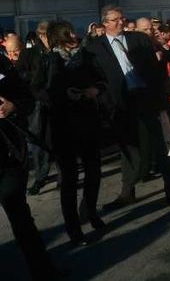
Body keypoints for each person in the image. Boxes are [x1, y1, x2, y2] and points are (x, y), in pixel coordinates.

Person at [85, 5, 170, 209]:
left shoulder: (139, 39)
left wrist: (159, 96)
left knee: (159, 145)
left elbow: (155, 71)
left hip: (146, 99)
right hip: (121, 104)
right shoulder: (95, 48)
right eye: (115, 19)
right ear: (105, 23)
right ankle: (127, 193)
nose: (120, 22)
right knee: (128, 149)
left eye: (122, 18)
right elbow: (95, 77)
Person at [38, 20, 106, 245]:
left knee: (94, 171)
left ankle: (91, 211)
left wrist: (94, 90)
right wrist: (58, 96)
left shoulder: (86, 56)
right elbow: (36, 88)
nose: (74, 36)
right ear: (59, 37)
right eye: (68, 33)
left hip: (88, 121)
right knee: (68, 179)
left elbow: (102, 81)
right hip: (62, 125)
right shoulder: (48, 59)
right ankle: (73, 228)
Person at [0, 54, 61, 279]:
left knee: (20, 216)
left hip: (8, 155)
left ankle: (44, 270)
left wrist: (12, 106)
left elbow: (26, 97)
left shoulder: (1, 62)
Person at [16, 22, 53, 196]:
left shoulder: (59, 52)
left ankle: (65, 177)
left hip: (56, 102)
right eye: (44, 34)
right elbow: (20, 74)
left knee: (57, 139)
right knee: (38, 141)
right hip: (37, 103)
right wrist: (36, 77)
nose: (47, 37)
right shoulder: (29, 53)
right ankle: (40, 177)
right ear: (39, 35)